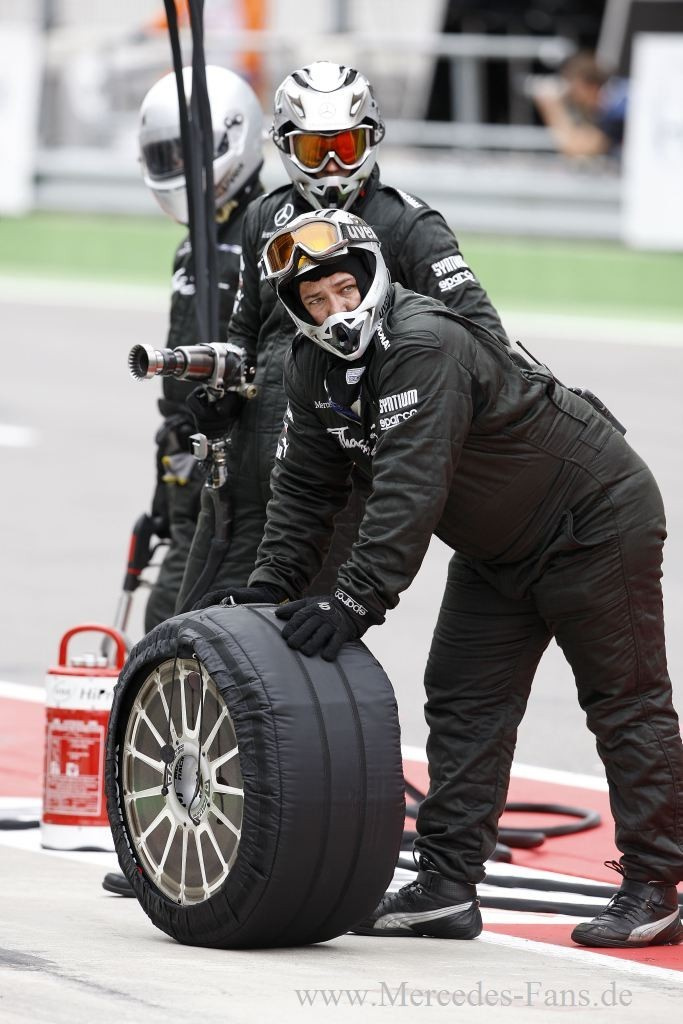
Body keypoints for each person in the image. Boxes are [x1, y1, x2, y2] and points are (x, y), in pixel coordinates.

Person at [200, 208, 683, 949]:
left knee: (623, 700)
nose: (334, 309)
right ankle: (445, 888)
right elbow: (304, 490)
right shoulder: (309, 365)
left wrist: (353, 603)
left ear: (372, 276)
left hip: (593, 518)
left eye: (343, 288)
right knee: (462, 699)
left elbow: (408, 490)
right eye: (315, 300)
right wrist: (268, 590)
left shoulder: (424, 342)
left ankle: (655, 886)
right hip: (498, 546)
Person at [175, 59, 508, 610]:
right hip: (246, 479)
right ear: (285, 147)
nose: (332, 165)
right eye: (314, 150)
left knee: (297, 643)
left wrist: (404, 412)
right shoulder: (262, 217)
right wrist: (222, 397)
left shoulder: (408, 225)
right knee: (188, 627)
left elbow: (484, 343)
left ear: (372, 139)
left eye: (347, 146)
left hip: (334, 489)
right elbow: (245, 334)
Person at [137, 64, 265, 631]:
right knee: (164, 621)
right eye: (167, 156)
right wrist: (164, 489)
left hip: (239, 465)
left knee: (192, 624)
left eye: (187, 154)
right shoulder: (192, 248)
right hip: (186, 459)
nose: (179, 170)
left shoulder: (270, 235)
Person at [530, 51, 627, 161]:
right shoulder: (617, 94)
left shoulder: (615, 108)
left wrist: (550, 106)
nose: (572, 99)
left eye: (574, 91)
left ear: (589, 86)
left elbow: (577, 148)